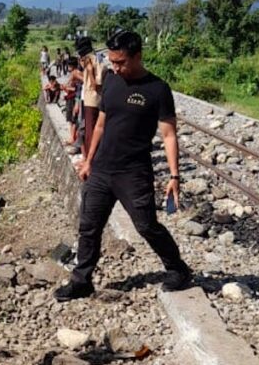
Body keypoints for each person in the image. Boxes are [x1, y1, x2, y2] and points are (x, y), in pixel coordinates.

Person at [54, 29, 193, 301]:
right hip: (102, 170)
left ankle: (178, 269)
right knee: (89, 226)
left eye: (120, 62)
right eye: (112, 61)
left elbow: (168, 135)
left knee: (146, 225)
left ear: (137, 56)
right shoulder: (113, 82)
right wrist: (88, 160)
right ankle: (82, 280)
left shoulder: (158, 89)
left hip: (133, 172)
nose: (115, 67)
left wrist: (175, 176)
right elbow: (101, 125)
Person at [76, 37, 102, 155]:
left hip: (93, 100)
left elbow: (97, 84)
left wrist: (90, 70)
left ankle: (90, 161)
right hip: (88, 99)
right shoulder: (91, 59)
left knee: (90, 132)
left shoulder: (93, 60)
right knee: (88, 131)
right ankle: (88, 159)